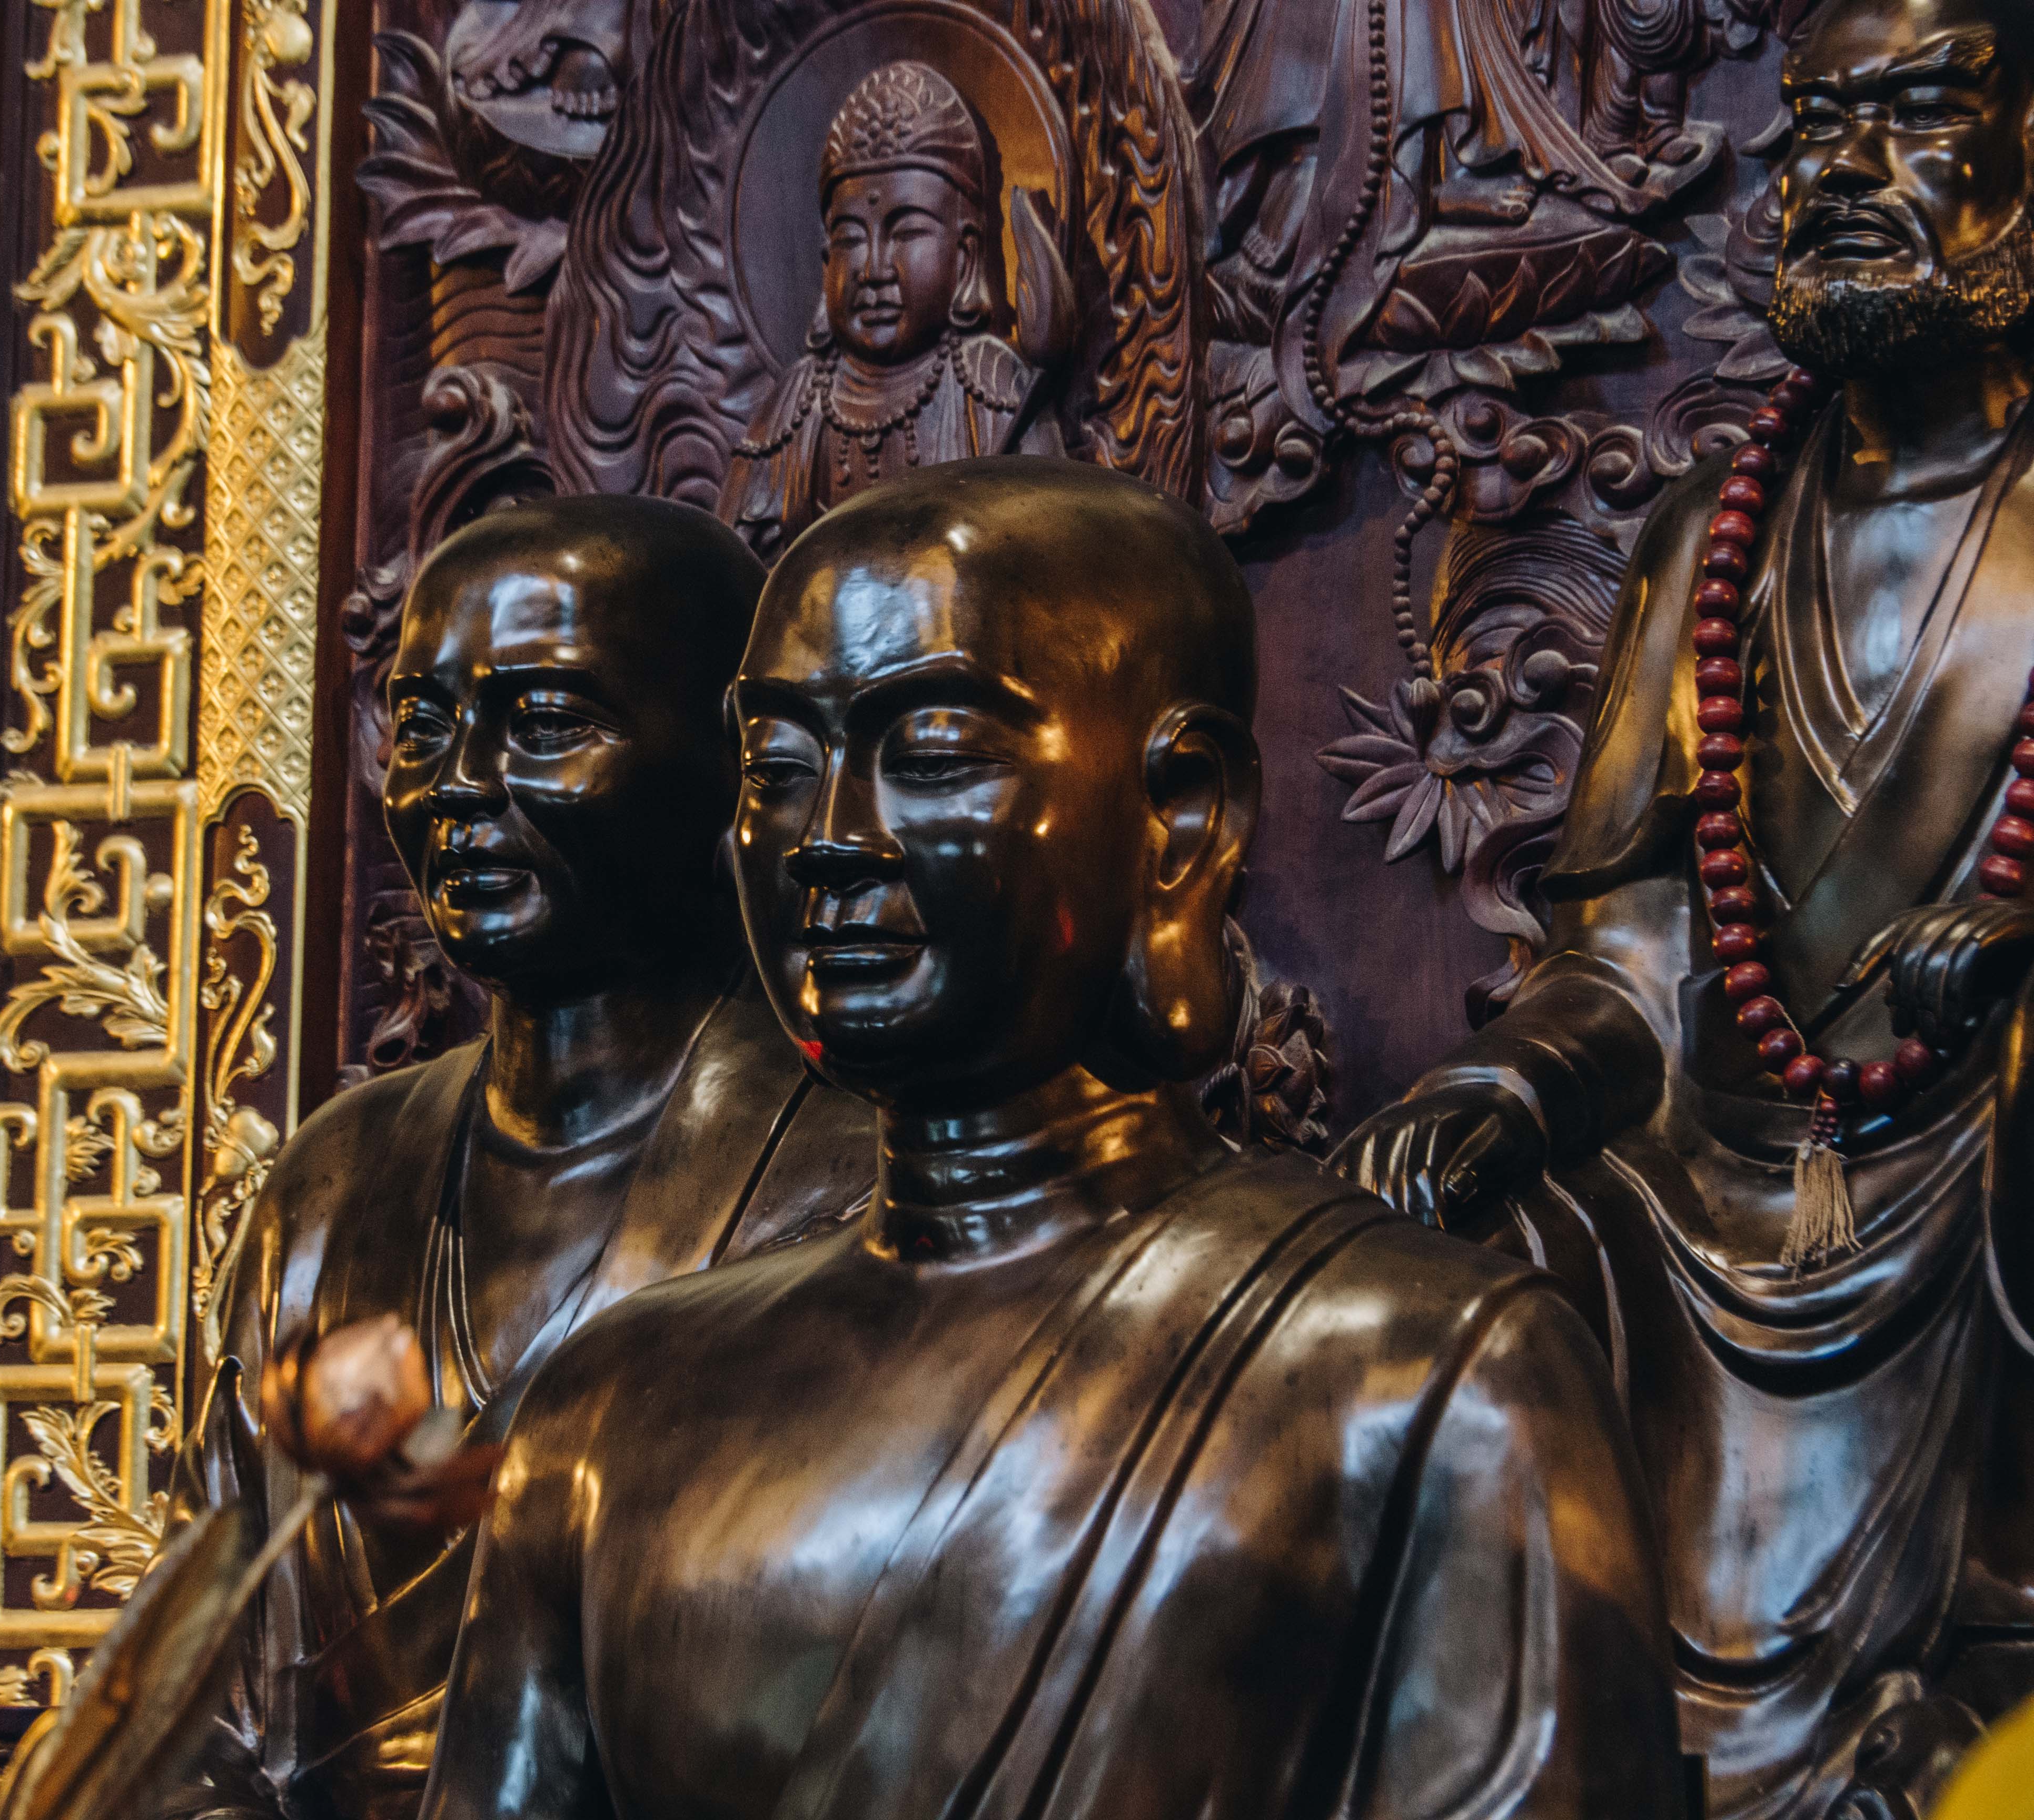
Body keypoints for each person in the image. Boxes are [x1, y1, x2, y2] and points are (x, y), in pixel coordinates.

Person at [418, 459, 1682, 1820]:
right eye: (779, 768)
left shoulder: (1422, 1377)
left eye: (932, 753)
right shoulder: (605, 1411)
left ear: (1180, 814)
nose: (827, 839)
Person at [1336, 3, 2034, 1815]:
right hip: (1701, 1189)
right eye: (1816, 127)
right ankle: (1515, 1734)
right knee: (1451, 1267)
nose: (1844, 170)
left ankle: (1971, 1677)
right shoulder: (1707, 537)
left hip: (1970, 1189)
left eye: (1910, 116)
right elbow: (1640, 963)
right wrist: (1505, 1086)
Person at [167, 495, 873, 1818]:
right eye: (423, 728)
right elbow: (202, 1702)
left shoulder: (851, 1179)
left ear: (735, 765)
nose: (457, 784)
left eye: (544, 723)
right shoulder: (330, 1186)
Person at [717, 62, 1064, 561]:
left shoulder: (993, 390)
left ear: (965, 254)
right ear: (826, 261)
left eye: (906, 232)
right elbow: (733, 574)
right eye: (851, 238)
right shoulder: (792, 410)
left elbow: (1051, 556)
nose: (874, 269)